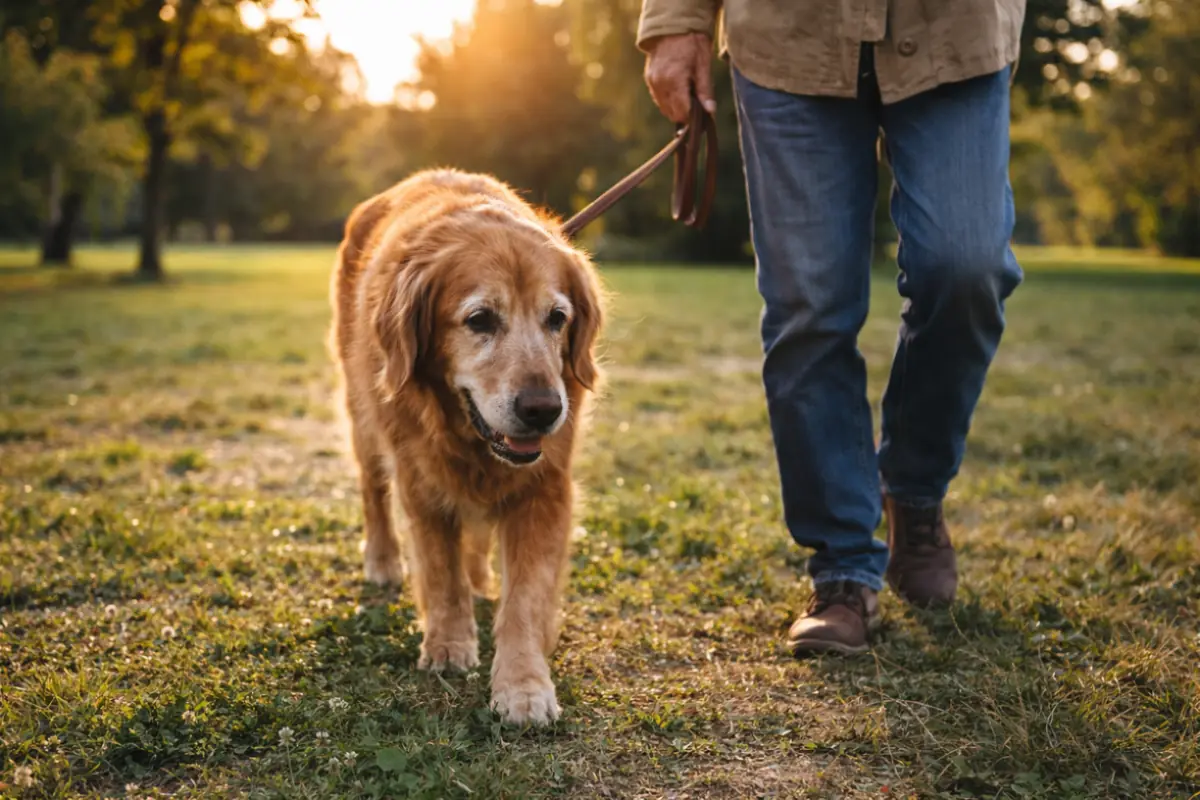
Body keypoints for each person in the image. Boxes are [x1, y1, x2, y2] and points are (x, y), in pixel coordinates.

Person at [637, 0, 1026, 655]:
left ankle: (914, 488)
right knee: (808, 308)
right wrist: (676, 20)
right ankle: (843, 568)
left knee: (966, 268)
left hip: (955, 32)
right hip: (789, 38)